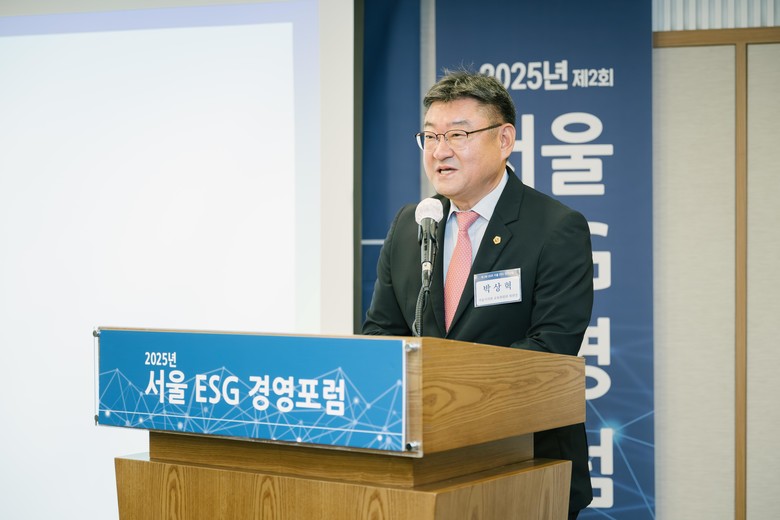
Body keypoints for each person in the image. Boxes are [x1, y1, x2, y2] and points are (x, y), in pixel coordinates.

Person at [362, 70, 594, 519]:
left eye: (458, 135)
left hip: (524, 464)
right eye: (430, 136)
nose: (439, 151)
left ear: (504, 140)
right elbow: (382, 333)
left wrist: (447, 396)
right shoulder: (412, 224)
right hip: (423, 468)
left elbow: (551, 349)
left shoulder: (555, 228)